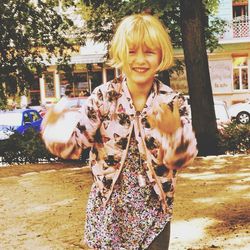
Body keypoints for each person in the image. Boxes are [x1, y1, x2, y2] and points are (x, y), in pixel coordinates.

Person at [41, 13, 198, 250]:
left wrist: (173, 134)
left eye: (149, 52)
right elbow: (74, 146)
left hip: (153, 208)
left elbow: (181, 160)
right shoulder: (104, 97)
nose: (140, 60)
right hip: (108, 207)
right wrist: (55, 129)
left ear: (161, 56)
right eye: (132, 51)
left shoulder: (172, 102)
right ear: (120, 54)